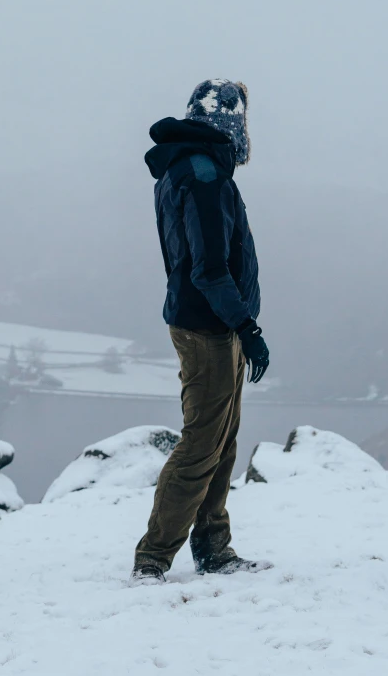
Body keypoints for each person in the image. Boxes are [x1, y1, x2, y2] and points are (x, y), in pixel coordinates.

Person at [131, 79, 271, 585]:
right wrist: (246, 326)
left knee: (223, 439)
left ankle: (213, 547)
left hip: (207, 321)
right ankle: (153, 558)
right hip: (210, 327)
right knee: (201, 445)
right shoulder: (205, 176)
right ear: (230, 127)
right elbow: (209, 269)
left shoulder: (183, 169)